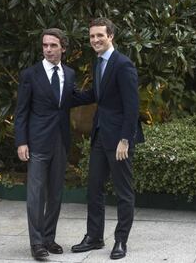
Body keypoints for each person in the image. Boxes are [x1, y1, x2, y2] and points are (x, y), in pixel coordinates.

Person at [71, 17, 144, 260]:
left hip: (119, 138)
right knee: (94, 189)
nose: (95, 40)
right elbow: (97, 94)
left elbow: (132, 106)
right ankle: (94, 237)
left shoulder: (123, 64)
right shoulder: (98, 63)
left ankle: (121, 241)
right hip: (100, 134)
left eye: (99, 35)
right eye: (92, 36)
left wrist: (125, 139)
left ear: (110, 36)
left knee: (123, 192)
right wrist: (66, 97)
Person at [14, 28, 78, 260]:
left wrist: (105, 91)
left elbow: (73, 99)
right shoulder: (30, 74)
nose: (48, 49)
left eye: (53, 45)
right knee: (36, 195)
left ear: (63, 47)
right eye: (45, 45)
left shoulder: (69, 74)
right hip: (37, 142)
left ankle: (49, 239)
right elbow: (21, 111)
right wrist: (21, 141)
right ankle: (37, 244)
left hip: (60, 142)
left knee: (55, 194)